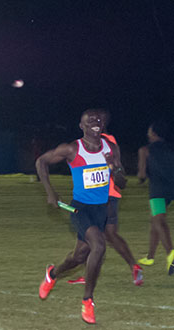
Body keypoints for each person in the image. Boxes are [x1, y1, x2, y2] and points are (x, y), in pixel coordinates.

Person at [36, 109, 126, 324]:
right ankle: (88, 301)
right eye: (90, 120)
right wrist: (50, 192)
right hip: (80, 209)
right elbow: (41, 161)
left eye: (99, 119)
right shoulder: (72, 149)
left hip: (101, 210)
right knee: (99, 246)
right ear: (82, 125)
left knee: (79, 257)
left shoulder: (111, 148)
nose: (96, 122)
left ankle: (52, 274)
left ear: (103, 124)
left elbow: (122, 183)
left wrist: (113, 168)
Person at [67, 109, 143, 286]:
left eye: (97, 120)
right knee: (102, 237)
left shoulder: (106, 142)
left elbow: (114, 170)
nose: (95, 122)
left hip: (106, 196)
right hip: (106, 195)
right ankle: (131, 266)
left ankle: (131, 265)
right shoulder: (106, 140)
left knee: (100, 238)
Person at [136, 121, 174, 275]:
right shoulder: (171, 147)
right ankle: (150, 257)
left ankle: (171, 254)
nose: (147, 134)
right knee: (155, 221)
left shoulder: (145, 150)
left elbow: (142, 174)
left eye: (149, 131)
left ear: (154, 134)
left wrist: (141, 178)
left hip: (158, 190)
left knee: (159, 220)